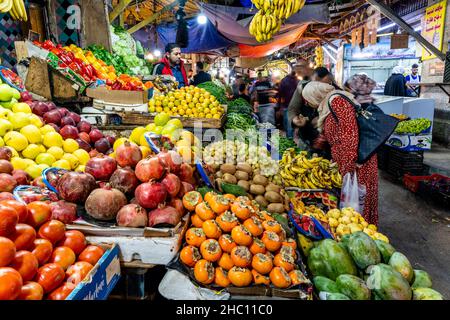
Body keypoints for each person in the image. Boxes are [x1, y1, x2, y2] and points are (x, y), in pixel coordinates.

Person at [301, 77, 379, 225]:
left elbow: (350, 135)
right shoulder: (327, 105)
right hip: (346, 160)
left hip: (358, 163)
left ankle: (365, 235)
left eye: (307, 99)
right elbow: (337, 131)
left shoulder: (337, 101)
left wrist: (348, 168)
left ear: (315, 95)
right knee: (351, 206)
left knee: (358, 206)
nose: (307, 103)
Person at [288, 67, 336, 153]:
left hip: (326, 143)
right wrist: (295, 120)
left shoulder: (335, 93)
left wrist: (323, 120)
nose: (319, 89)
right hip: (305, 137)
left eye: (324, 86)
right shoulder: (303, 89)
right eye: (315, 84)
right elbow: (292, 108)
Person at [278, 71, 299, 138]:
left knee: (287, 124)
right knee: (290, 124)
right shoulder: (296, 81)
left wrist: (280, 106)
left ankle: (289, 139)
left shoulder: (283, 81)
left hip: (286, 106)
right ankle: (290, 141)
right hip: (293, 106)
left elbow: (280, 94)